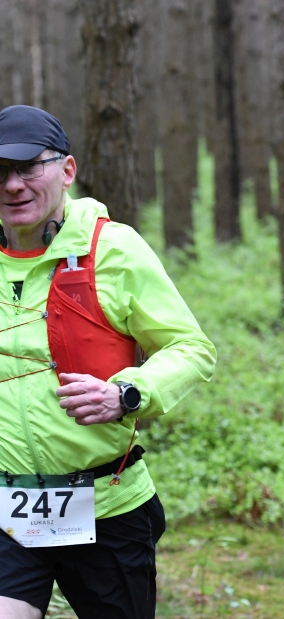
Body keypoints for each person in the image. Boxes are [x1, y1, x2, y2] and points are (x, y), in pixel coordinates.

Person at [0, 105, 216, 619]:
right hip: (7, 513)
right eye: (0, 171)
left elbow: (191, 348)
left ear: (67, 170)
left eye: (28, 168)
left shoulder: (113, 249)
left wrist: (126, 394)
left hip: (106, 507)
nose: (12, 185)